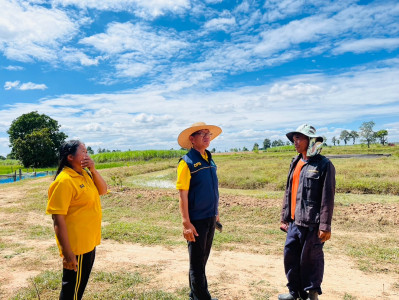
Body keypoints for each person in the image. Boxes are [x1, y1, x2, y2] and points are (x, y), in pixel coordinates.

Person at [278, 124, 336, 300]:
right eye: (294, 138)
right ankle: (294, 292)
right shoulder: (295, 162)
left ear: (310, 140)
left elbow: (327, 198)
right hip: (294, 223)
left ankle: (312, 294)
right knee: (291, 257)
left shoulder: (324, 165)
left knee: (311, 260)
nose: (295, 142)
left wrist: (325, 226)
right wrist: (285, 217)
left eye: (299, 138)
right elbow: (289, 192)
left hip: (312, 224)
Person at [46, 140, 107, 300]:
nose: (87, 155)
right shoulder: (64, 181)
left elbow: (103, 190)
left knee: (77, 289)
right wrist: (67, 254)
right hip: (76, 248)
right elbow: (58, 219)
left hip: (89, 242)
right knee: (71, 292)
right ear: (70, 157)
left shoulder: (85, 174)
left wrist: (93, 169)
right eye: (84, 152)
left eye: (87, 152)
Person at [176, 122, 222, 300]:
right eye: (201, 134)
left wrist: (216, 211)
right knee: (197, 263)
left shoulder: (210, 159)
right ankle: (203, 297)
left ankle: (195, 295)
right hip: (196, 220)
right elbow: (183, 195)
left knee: (202, 260)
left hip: (210, 217)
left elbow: (213, 188)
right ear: (192, 139)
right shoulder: (186, 162)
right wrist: (186, 223)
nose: (206, 137)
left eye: (208, 134)